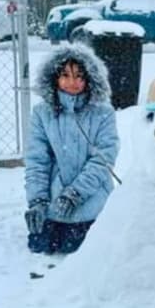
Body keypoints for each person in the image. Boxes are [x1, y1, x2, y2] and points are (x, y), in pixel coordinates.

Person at [24, 45, 120, 255]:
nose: (72, 82)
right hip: (54, 202)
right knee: (42, 245)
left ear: (89, 79)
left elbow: (103, 160)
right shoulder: (42, 113)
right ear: (54, 77)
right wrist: (38, 200)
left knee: (83, 249)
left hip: (92, 199)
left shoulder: (103, 113)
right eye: (65, 75)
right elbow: (37, 161)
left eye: (79, 76)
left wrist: (76, 193)